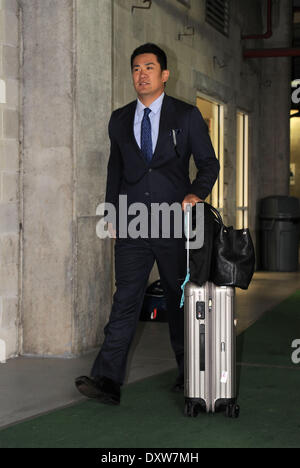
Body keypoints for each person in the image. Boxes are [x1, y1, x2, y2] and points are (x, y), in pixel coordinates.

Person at [75, 43, 219, 405]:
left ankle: (192, 376)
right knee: (125, 300)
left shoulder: (186, 117)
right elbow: (115, 169)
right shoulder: (119, 119)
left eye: (149, 68)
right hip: (134, 227)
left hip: (175, 224)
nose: (141, 74)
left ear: (164, 75)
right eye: (136, 69)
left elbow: (209, 164)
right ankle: (107, 381)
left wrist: (196, 193)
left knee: (179, 300)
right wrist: (112, 212)